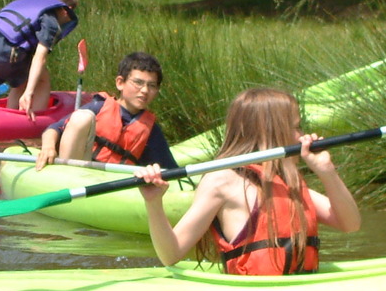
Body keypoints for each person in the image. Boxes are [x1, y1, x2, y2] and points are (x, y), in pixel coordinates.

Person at [137, 88, 362, 276]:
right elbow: (171, 253)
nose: (301, 136)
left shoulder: (288, 180)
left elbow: (350, 224)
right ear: (272, 131)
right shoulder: (223, 180)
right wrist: (154, 202)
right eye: (295, 127)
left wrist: (326, 170)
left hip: (297, 287)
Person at [33, 50, 180, 171]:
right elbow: (54, 128)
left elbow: (171, 171)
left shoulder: (151, 130)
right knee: (81, 118)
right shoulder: (98, 107)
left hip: (114, 187)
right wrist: (48, 147)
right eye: (138, 83)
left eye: (152, 86)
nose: (145, 91)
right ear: (120, 83)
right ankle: (64, 175)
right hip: (79, 171)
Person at [0, 0, 79, 119]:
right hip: (5, 53)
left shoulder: (29, 4)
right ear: (67, 10)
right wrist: (29, 93)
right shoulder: (51, 20)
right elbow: (40, 57)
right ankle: (36, 121)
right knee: (42, 80)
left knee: (21, 80)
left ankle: (10, 118)